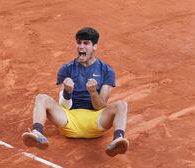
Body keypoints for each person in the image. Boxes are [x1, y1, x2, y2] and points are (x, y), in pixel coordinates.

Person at [22, 27, 129, 157]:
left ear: (95, 46)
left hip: (96, 122)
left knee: (122, 105)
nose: (81, 47)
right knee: (41, 98)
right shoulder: (66, 69)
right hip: (69, 121)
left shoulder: (106, 71)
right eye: (79, 43)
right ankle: (37, 133)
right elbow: (64, 105)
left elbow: (101, 107)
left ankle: (117, 140)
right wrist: (67, 92)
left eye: (86, 43)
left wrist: (93, 92)